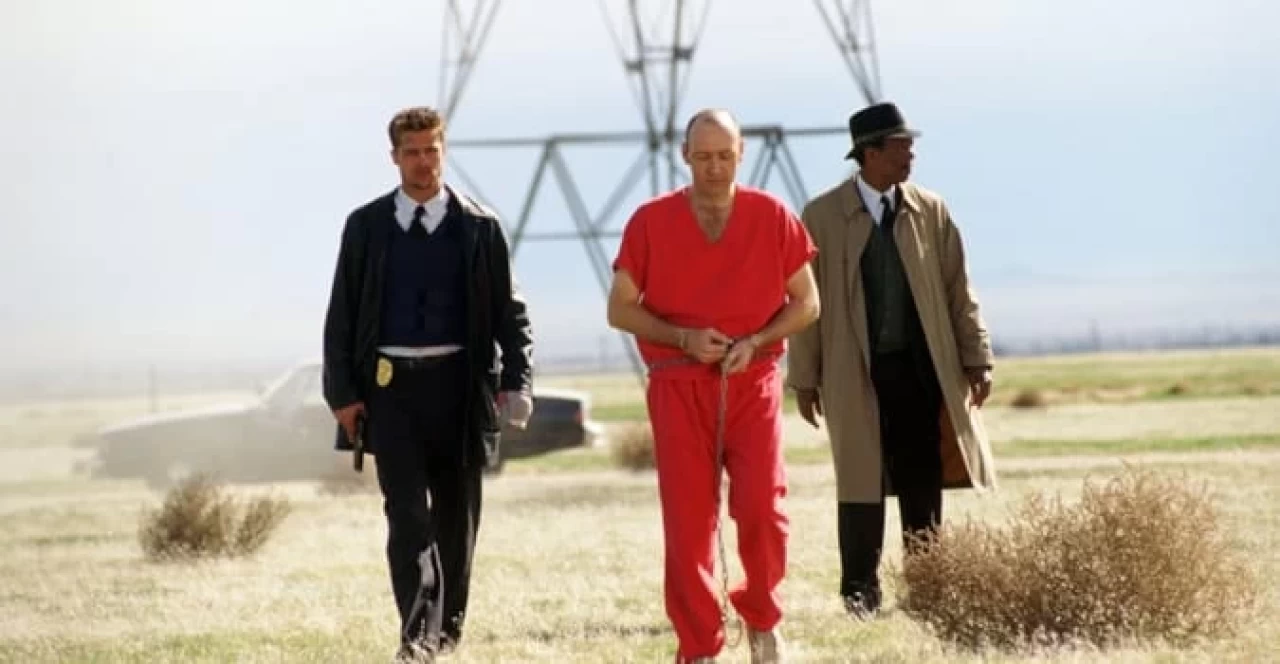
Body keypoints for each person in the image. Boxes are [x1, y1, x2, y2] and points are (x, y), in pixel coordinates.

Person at [607, 109, 820, 664]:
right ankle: (699, 645)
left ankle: (762, 618)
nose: (715, 167)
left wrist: (759, 339)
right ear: (685, 156)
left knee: (763, 509)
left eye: (725, 155)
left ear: (741, 153)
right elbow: (620, 308)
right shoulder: (650, 221)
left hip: (753, 379)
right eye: (703, 157)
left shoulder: (772, 216)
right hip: (677, 385)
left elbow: (808, 302)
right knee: (687, 525)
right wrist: (682, 338)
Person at [321, 106, 534, 662]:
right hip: (390, 390)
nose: (422, 161)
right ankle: (417, 637)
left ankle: (447, 633)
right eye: (411, 152)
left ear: (444, 151)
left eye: (431, 150)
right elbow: (341, 315)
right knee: (407, 515)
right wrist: (342, 394)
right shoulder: (365, 228)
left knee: (457, 518)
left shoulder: (480, 227)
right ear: (394, 157)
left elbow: (510, 314)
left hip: (459, 390)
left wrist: (517, 382)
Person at [786, 101, 997, 618]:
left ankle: (928, 588)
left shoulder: (932, 211)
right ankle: (860, 592)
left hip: (921, 372)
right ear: (870, 153)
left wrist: (978, 357)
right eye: (901, 145)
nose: (911, 155)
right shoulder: (820, 217)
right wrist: (805, 378)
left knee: (922, 483)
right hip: (852, 372)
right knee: (859, 484)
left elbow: (959, 292)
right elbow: (804, 303)